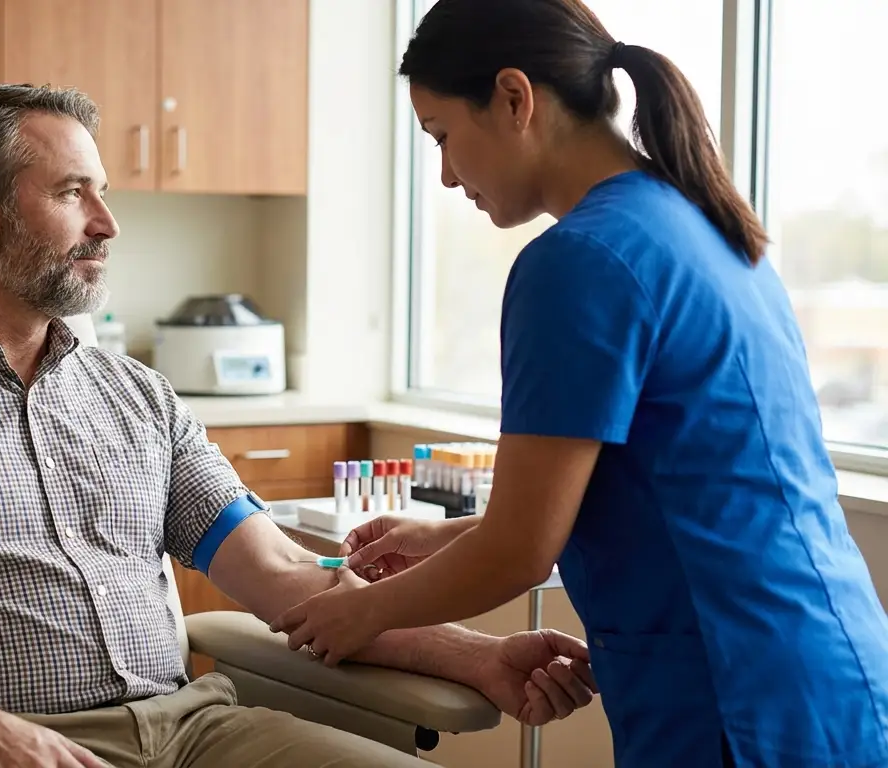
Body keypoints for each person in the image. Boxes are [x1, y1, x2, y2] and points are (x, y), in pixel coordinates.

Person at [0, 83, 599, 768]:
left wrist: (475, 656)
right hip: (14, 742)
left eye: (102, 194)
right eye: (74, 194)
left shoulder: (140, 399)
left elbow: (285, 575)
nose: (108, 224)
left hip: (195, 733)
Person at [268, 1, 888, 766]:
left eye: (443, 137)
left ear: (514, 97)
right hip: (822, 665)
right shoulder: (701, 224)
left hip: (733, 691)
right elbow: (661, 486)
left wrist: (362, 615)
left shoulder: (580, 261)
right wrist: (442, 538)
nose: (447, 174)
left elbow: (520, 551)